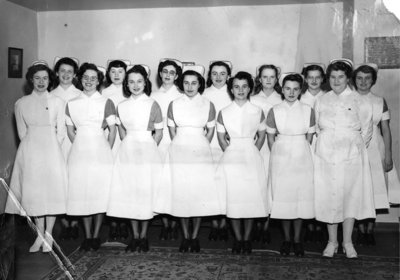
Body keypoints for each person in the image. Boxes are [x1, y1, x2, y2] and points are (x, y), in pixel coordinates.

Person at [154, 66, 223, 253]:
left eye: (194, 83)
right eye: (186, 83)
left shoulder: (208, 104)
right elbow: (172, 129)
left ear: (200, 84)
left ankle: (195, 236)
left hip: (200, 150)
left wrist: (201, 145)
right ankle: (186, 237)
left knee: (198, 194)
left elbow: (210, 130)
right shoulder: (174, 104)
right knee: (182, 193)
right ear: (181, 84)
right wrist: (181, 144)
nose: (190, 86)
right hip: (179, 150)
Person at [314, 59, 375, 259]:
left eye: (341, 76)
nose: (336, 80)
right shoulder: (322, 100)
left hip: (351, 155)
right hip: (326, 155)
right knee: (329, 196)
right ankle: (332, 242)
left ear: (348, 78)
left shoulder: (359, 100)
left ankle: (347, 242)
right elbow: (316, 126)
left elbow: (366, 130)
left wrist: (353, 147)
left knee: (350, 197)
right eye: (332, 76)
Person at [5, 61, 67, 253]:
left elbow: (61, 131)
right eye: (37, 78)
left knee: (52, 192)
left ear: (50, 80)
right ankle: (39, 235)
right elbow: (22, 132)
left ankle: (49, 235)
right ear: (31, 80)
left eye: (45, 78)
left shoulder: (57, 102)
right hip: (31, 152)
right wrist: (33, 147)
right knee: (35, 193)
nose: (41, 82)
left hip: (52, 150)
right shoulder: (21, 103)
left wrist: (50, 146)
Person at [107, 65, 163, 252]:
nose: (135, 85)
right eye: (131, 81)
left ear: (145, 82)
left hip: (147, 150)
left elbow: (159, 132)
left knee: (145, 193)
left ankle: (144, 236)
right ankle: (134, 236)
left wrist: (148, 149)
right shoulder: (121, 106)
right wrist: (130, 146)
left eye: (139, 81)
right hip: (128, 151)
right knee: (130, 193)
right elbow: (122, 132)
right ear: (126, 84)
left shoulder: (153, 104)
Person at [216, 71, 269, 254]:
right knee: (234, 199)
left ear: (250, 88)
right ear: (231, 89)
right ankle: (238, 239)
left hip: (251, 156)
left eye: (244, 86)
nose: (240, 90)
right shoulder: (224, 112)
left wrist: (253, 149)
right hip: (232, 157)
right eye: (236, 87)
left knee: (250, 199)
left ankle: (247, 239)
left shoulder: (257, 111)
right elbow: (222, 138)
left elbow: (261, 135)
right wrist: (231, 152)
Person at [66, 63, 117, 251]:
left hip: (100, 152)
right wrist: (80, 143)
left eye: (93, 78)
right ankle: (87, 236)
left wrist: (105, 149)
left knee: (98, 193)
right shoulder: (72, 103)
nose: (89, 81)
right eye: (85, 77)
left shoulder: (106, 102)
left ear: (99, 81)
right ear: (80, 79)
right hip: (79, 152)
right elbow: (70, 130)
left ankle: (95, 235)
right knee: (82, 193)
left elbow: (113, 131)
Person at [267, 73, 315, 256]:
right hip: (281, 154)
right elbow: (271, 136)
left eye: (296, 88)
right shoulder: (275, 110)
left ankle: (297, 240)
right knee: (284, 198)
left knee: (300, 199)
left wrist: (300, 150)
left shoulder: (308, 110)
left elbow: (310, 136)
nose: (291, 92)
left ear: (301, 90)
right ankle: (287, 239)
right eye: (288, 88)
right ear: (282, 89)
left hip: (302, 154)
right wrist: (278, 153)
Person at [353, 63, 399, 246]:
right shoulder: (348, 99)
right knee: (357, 187)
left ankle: (369, 230)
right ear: (354, 80)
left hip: (375, 147)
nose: (363, 82)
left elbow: (386, 130)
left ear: (373, 81)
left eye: (367, 78)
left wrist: (388, 155)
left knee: (374, 187)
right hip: (354, 144)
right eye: (359, 78)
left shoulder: (380, 101)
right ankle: (359, 228)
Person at [250, 64, 282, 243]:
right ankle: (256, 223)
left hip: (275, 146)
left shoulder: (282, 99)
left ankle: (267, 225)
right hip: (257, 145)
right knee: (257, 183)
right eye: (265, 77)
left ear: (277, 79)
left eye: (272, 77)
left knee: (271, 183)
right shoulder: (252, 99)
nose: (268, 80)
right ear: (259, 79)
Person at [151, 59, 183, 241]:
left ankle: (175, 223)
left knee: (175, 183)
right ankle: (165, 224)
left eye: (172, 72)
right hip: (159, 143)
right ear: (160, 74)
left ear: (176, 76)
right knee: (161, 183)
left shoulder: (181, 94)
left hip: (176, 141)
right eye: (165, 71)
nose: (168, 75)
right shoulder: (153, 95)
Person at [51, 56, 81, 240]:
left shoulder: (79, 94)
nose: (66, 75)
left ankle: (75, 222)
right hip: (56, 144)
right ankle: (63, 222)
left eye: (70, 71)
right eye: (62, 71)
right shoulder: (50, 94)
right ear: (56, 73)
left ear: (75, 75)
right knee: (59, 181)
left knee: (75, 180)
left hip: (75, 142)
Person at [203, 60, 232, 242]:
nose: (218, 77)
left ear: (228, 76)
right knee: (211, 185)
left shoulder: (233, 93)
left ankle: (225, 223)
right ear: (209, 75)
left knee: (226, 184)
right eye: (214, 73)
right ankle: (215, 224)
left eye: (222, 73)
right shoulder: (204, 94)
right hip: (208, 144)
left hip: (227, 144)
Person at [101, 59, 130, 241]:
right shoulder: (104, 92)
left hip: (127, 139)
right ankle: (113, 223)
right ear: (108, 74)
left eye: (120, 71)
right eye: (113, 72)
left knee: (126, 181)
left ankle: (125, 222)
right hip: (111, 139)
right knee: (111, 183)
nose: (117, 75)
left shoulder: (130, 91)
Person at [300, 63, 326, 243]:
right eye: (310, 77)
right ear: (305, 79)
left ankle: (321, 225)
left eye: (317, 77)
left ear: (323, 79)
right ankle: (309, 226)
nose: (314, 81)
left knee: (323, 184)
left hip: (325, 145)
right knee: (308, 184)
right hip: (306, 145)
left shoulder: (329, 97)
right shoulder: (299, 98)